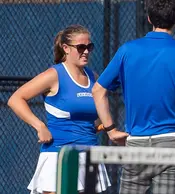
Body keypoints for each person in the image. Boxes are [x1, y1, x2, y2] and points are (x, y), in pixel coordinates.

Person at [92, 0, 175, 193]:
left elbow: (98, 90)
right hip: (173, 144)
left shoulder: (127, 50)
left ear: (148, 18)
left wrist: (111, 130)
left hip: (136, 145)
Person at [7, 24, 128, 194]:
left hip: (89, 156)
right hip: (59, 156)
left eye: (89, 47)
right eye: (81, 47)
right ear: (66, 48)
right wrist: (40, 126)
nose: (86, 51)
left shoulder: (93, 77)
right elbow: (15, 99)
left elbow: (100, 114)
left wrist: (103, 128)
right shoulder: (54, 75)